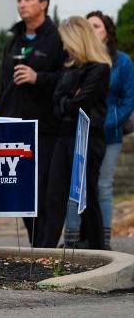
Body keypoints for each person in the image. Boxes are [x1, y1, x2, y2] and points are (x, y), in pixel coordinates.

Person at [0, 0, 64, 246]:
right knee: (22, 191)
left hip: (46, 126)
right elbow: (3, 80)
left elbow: (66, 78)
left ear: (43, 4)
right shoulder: (14, 38)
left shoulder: (57, 38)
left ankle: (45, 247)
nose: (22, 4)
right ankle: (35, 243)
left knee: (46, 190)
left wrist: (39, 78)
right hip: (15, 124)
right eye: (19, 0)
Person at [38, 16, 111, 249]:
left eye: (65, 41)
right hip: (64, 135)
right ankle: (45, 248)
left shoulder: (100, 69)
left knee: (86, 197)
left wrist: (68, 101)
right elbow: (58, 103)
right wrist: (70, 99)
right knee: (53, 195)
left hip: (88, 138)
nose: (63, 46)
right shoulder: (68, 69)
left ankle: (98, 247)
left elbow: (78, 104)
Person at [64, 11, 134, 249]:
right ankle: (73, 238)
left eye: (97, 26)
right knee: (75, 186)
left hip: (109, 134)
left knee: (103, 187)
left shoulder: (121, 62)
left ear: (107, 32)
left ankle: (102, 240)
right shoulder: (78, 61)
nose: (92, 30)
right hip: (80, 132)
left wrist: (107, 122)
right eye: (88, 26)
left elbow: (128, 100)